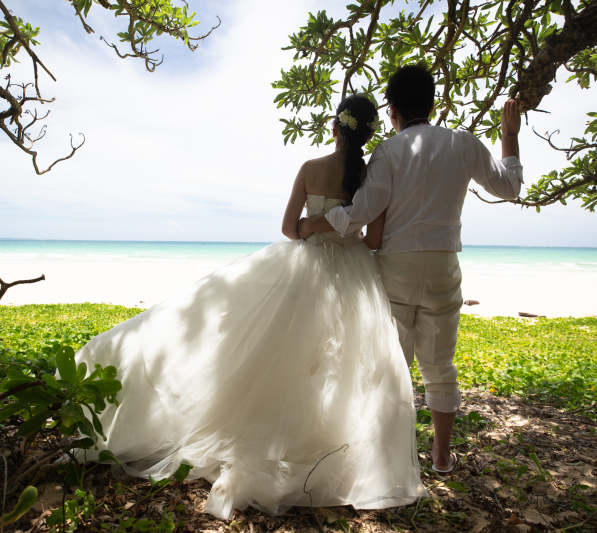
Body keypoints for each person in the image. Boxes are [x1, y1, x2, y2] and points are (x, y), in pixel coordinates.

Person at [71, 95, 427, 520]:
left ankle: (284, 434)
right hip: (354, 275)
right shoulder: (374, 177)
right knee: (343, 362)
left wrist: (315, 230)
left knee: (286, 354)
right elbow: (371, 240)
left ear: (336, 128)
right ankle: (334, 439)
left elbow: (287, 228)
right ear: (371, 134)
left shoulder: (310, 168)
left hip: (308, 266)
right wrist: (346, 231)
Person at [299, 64, 523, 476]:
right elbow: (509, 188)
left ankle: (389, 458)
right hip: (442, 265)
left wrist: (319, 223)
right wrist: (509, 138)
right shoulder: (463, 143)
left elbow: (366, 211)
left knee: (392, 365)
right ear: (433, 103)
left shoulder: (388, 151)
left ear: (392, 110)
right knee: (440, 367)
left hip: (396, 268)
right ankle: (439, 457)